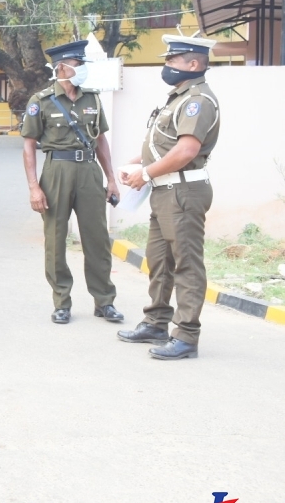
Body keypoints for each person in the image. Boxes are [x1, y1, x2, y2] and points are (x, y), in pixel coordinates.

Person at [117, 34, 220, 360]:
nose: (167, 65)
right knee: (159, 260)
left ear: (193, 64)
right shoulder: (178, 98)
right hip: (165, 191)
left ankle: (186, 336)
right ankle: (156, 321)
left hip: (182, 191)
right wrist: (138, 163)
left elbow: (187, 150)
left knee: (186, 264)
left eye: (172, 60)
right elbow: (166, 145)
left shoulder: (198, 101)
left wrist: (146, 173)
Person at [20, 40, 123, 325]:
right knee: (55, 239)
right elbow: (29, 146)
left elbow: (100, 139)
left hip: (89, 171)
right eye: (79, 65)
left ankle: (104, 301)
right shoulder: (40, 101)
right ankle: (61, 302)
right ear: (63, 68)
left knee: (97, 239)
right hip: (57, 170)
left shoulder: (92, 98)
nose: (84, 71)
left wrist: (111, 179)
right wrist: (33, 186)